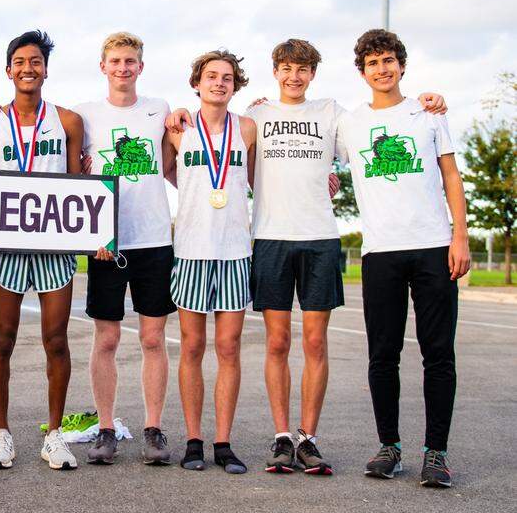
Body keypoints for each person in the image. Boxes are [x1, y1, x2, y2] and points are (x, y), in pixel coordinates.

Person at [165, 41, 447, 475]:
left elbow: (380, 124)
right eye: (286, 68)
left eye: (303, 69)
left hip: (320, 239)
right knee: (277, 343)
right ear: (275, 72)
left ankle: (308, 438)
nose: (294, 77)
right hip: (271, 238)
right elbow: (208, 156)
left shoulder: (333, 114)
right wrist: (176, 115)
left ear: (314, 73)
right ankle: (282, 437)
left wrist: (428, 100)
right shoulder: (254, 118)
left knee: (315, 342)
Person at [337, 29, 469, 488]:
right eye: (372, 63)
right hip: (381, 253)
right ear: (362, 71)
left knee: (438, 354)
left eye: (389, 60)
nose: (382, 69)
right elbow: (312, 147)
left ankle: (436, 452)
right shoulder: (349, 124)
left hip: (433, 247)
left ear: (402, 65)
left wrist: (460, 236)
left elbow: (451, 176)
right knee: (383, 355)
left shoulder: (428, 114)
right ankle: (389, 446)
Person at [0, 30, 97, 471]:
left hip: (53, 247)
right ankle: (1, 434)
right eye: (20, 61)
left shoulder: (67, 122)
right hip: (9, 248)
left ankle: (56, 434)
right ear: (8, 70)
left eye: (36, 61)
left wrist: (94, 236)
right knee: (2, 339)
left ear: (46, 69)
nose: (28, 68)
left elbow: (77, 188)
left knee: (56, 339)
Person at [76, 32, 177, 466]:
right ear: (103, 66)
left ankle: (153, 428)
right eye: (115, 61)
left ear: (141, 66)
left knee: (154, 338)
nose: (123, 68)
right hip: (107, 244)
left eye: (130, 61)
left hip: (154, 238)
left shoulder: (161, 110)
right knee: (108, 338)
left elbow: (176, 165)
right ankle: (106, 427)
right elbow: (70, 179)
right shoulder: (83, 116)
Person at [164, 49, 255, 474]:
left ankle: (224, 442)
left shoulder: (248, 129)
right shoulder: (178, 129)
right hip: (191, 251)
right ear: (196, 82)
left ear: (236, 85)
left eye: (228, 77)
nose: (219, 82)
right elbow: (165, 172)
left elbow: (260, 178)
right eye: (211, 76)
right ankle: (194, 440)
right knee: (193, 347)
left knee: (229, 348)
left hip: (235, 252)